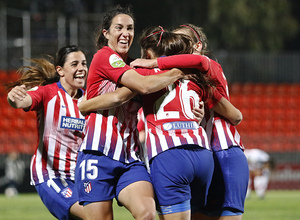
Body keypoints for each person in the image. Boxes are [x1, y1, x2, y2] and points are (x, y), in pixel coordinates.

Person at [74, 6, 194, 220]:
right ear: (106, 33)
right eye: (118, 28)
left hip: (130, 159)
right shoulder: (105, 56)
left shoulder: (135, 66)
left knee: (147, 214)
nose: (125, 33)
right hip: (97, 155)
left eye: (130, 28)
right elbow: (142, 87)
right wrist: (177, 71)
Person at [130, 24, 249, 220]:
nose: (178, 48)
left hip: (225, 150)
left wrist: (153, 63)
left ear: (198, 46)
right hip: (203, 152)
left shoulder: (206, 65)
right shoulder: (190, 78)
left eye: (184, 43)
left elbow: (236, 116)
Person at [7, 45, 87, 220]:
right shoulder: (48, 93)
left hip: (79, 177)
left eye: (83, 63)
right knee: (93, 216)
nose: (81, 68)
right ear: (60, 70)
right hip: (51, 174)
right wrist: (13, 97)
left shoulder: (90, 100)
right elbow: (23, 101)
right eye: (74, 64)